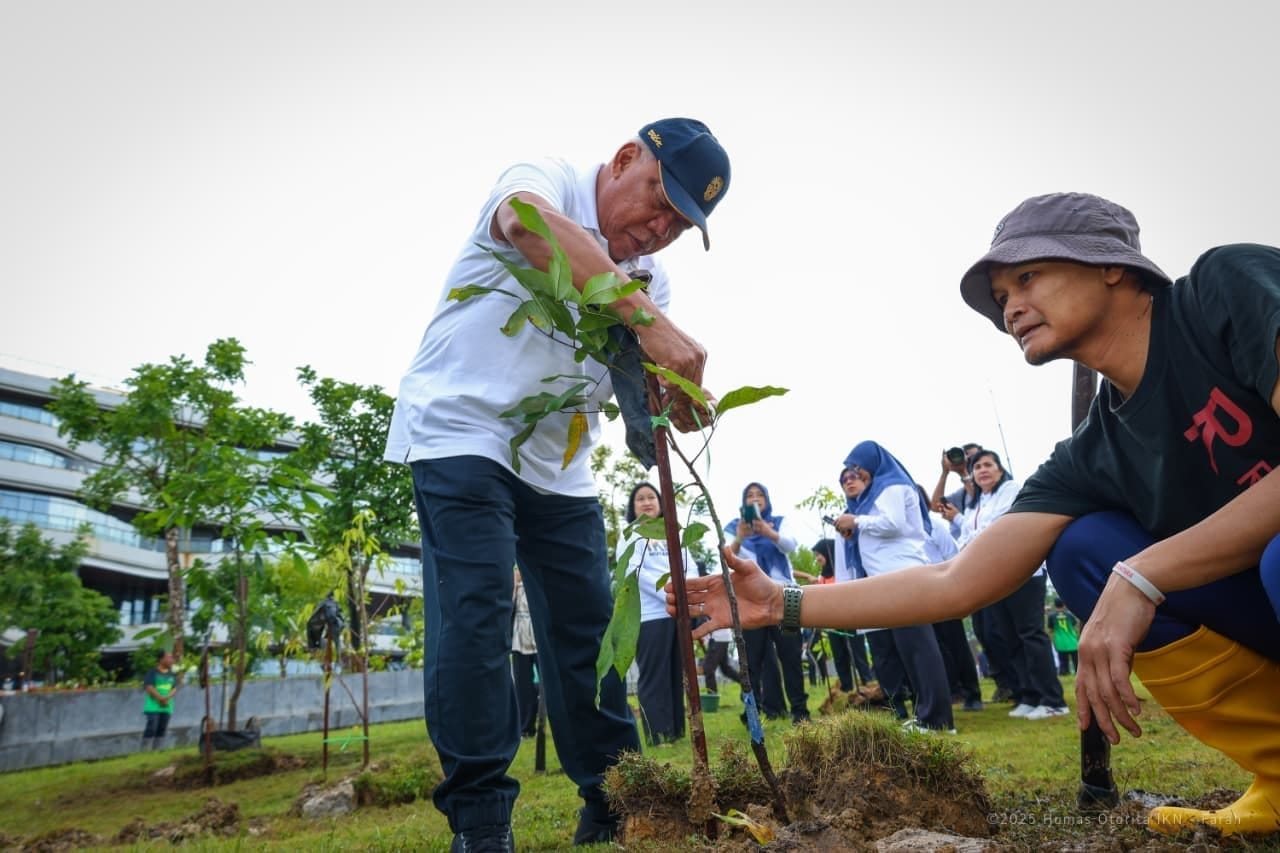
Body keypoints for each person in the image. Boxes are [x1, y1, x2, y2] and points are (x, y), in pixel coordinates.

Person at [675, 192, 1280, 838]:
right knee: (1083, 549)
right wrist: (779, 602)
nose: (1011, 306)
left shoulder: (1221, 292)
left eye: (1027, 277)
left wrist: (1142, 574)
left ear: (1110, 265)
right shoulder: (1091, 455)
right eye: (1000, 296)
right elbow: (953, 581)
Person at [385, 117, 731, 851]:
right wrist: (648, 319)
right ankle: (481, 820)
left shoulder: (649, 275)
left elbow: (636, 390)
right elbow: (526, 223)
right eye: (657, 201)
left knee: (588, 630)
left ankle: (612, 796)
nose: (660, 228)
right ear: (625, 158)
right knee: (476, 614)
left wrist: (672, 405)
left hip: (559, 466)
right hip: (460, 432)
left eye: (679, 222)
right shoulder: (546, 179)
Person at [834, 442, 955, 733]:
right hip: (892, 579)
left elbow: (894, 523)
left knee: (920, 649)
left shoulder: (891, 486)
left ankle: (938, 720)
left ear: (871, 462)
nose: (854, 473)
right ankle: (928, 716)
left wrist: (857, 521)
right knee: (911, 650)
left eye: (857, 466)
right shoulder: (879, 492)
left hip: (902, 575)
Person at [945, 449, 1068, 720]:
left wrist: (966, 530)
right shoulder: (976, 503)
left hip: (1024, 571)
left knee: (1030, 633)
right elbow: (966, 538)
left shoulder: (1012, 489)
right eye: (977, 468)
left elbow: (996, 528)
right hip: (995, 575)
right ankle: (1028, 695)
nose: (983, 471)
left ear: (1000, 469)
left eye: (988, 465)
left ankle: (1053, 699)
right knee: (1008, 637)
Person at [726, 482, 809, 724]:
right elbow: (728, 557)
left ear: (767, 499)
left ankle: (800, 713)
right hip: (751, 600)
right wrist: (741, 537)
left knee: (792, 657)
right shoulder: (735, 528)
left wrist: (768, 533)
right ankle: (752, 712)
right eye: (749, 495)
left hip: (787, 595)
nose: (754, 499)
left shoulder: (780, 522)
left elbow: (791, 545)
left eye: (759, 494)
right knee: (751, 660)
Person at [621, 481, 689, 746]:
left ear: (661, 504)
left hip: (677, 613)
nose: (647, 502)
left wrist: (687, 595)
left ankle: (676, 731)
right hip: (650, 616)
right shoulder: (631, 534)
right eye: (640, 498)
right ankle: (657, 735)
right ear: (633, 507)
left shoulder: (672, 533)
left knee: (675, 674)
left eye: (652, 497)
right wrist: (671, 593)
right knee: (654, 676)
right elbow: (634, 571)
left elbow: (688, 565)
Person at [917, 485, 983, 712]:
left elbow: (952, 556)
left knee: (957, 644)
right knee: (938, 647)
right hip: (920, 596)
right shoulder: (905, 531)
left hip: (942, 591)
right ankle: (953, 689)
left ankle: (972, 693)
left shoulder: (934, 525)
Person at [511, 569, 539, 738]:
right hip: (518, 638)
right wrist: (514, 585)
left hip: (538, 635)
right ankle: (526, 727)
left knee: (549, 680)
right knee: (523, 686)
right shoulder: (513, 583)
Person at [141, 650, 178, 751]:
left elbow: (174, 688)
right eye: (169, 657)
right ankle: (145, 751)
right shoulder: (152, 673)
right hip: (153, 706)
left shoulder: (172, 674)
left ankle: (157, 751)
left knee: (162, 729)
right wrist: (161, 699)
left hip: (166, 706)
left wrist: (166, 698)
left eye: (172, 658)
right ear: (161, 659)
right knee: (152, 727)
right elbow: (149, 687)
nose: (171, 660)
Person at [1047, 598, 1081, 675]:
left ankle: (1064, 673)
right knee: (1076, 662)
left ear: (1055, 605)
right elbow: (1075, 626)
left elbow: (1050, 629)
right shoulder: (1069, 614)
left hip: (1060, 642)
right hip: (1072, 641)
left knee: (1063, 661)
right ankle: (1077, 674)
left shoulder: (1052, 616)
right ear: (1064, 604)